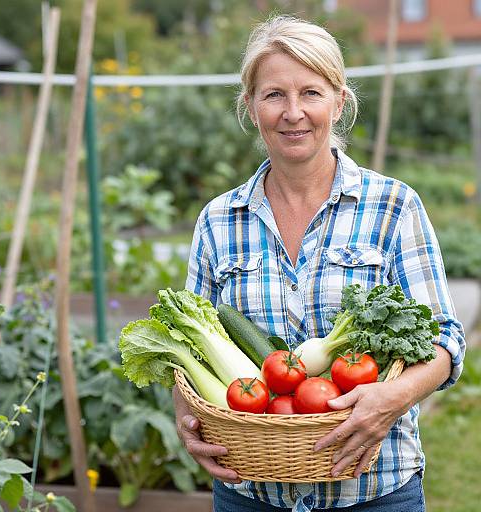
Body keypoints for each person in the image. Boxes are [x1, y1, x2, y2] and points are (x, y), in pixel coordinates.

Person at [173, 15, 465, 511]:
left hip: (375, 490)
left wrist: (391, 399)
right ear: (250, 106)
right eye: (273, 95)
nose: (293, 113)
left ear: (339, 101)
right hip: (251, 493)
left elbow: (445, 341)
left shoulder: (394, 205)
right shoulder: (218, 220)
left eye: (311, 92)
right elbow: (190, 349)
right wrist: (188, 417)